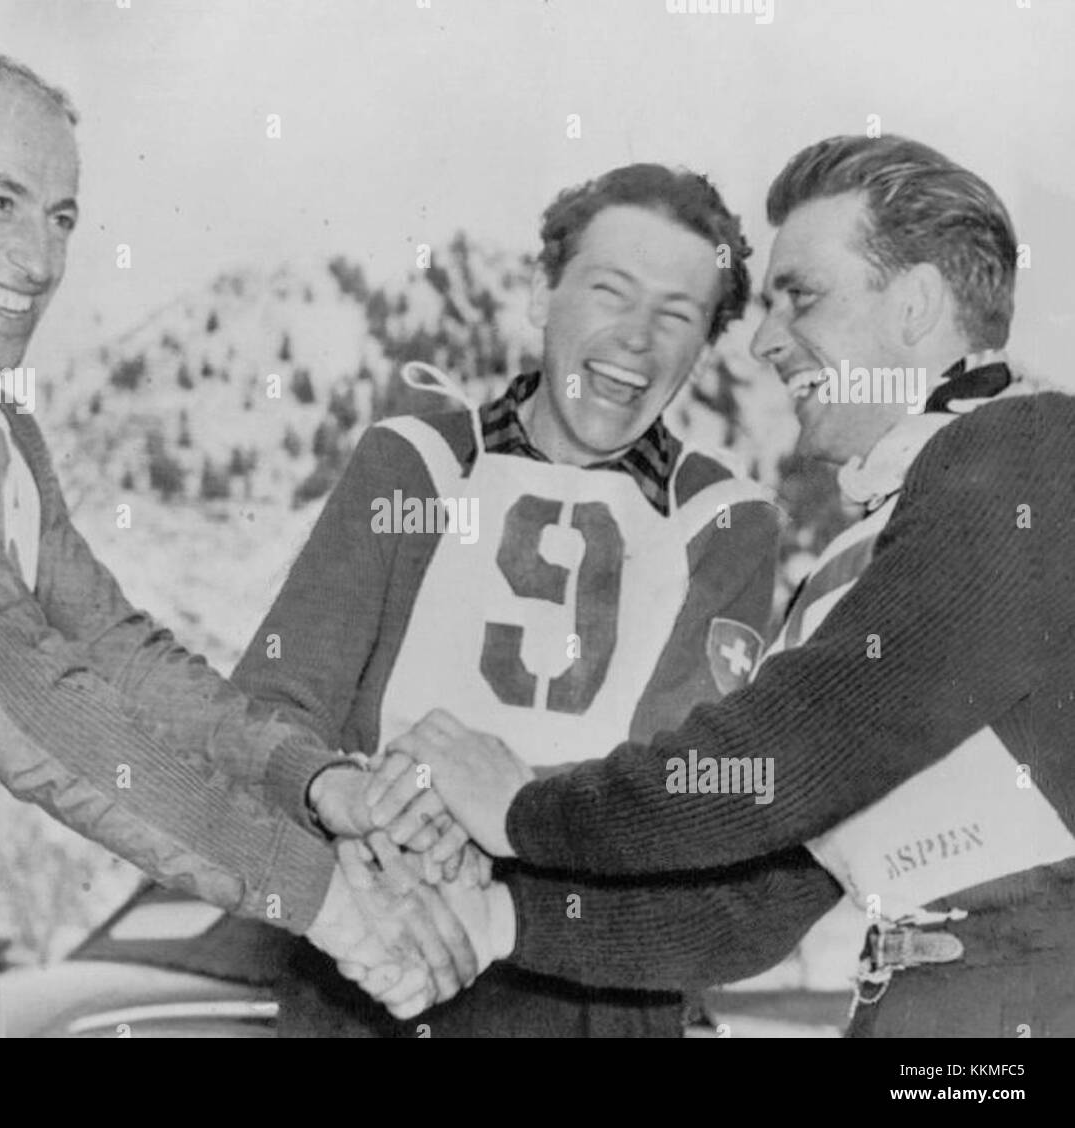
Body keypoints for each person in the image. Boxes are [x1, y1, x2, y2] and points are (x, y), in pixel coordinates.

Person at [0, 53, 471, 1037]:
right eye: (0, 204)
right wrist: (321, 900)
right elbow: (22, 691)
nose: (39, 257)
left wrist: (318, 783)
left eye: (60, 217)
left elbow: (111, 652)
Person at [380, 134, 1075, 1037]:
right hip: (929, 1010)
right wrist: (497, 919)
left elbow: (783, 756)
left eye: (805, 299)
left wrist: (520, 809)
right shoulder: (866, 548)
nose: (763, 339)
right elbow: (750, 905)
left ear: (917, 305)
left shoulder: (1027, 454)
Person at [233, 163, 784, 1036]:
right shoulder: (414, 462)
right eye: (611, 291)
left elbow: (685, 792)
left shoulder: (722, 522)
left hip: (587, 989)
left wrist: (486, 807)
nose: (637, 338)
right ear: (541, 292)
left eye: (676, 315)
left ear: (702, 347)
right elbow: (269, 704)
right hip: (378, 960)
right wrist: (350, 792)